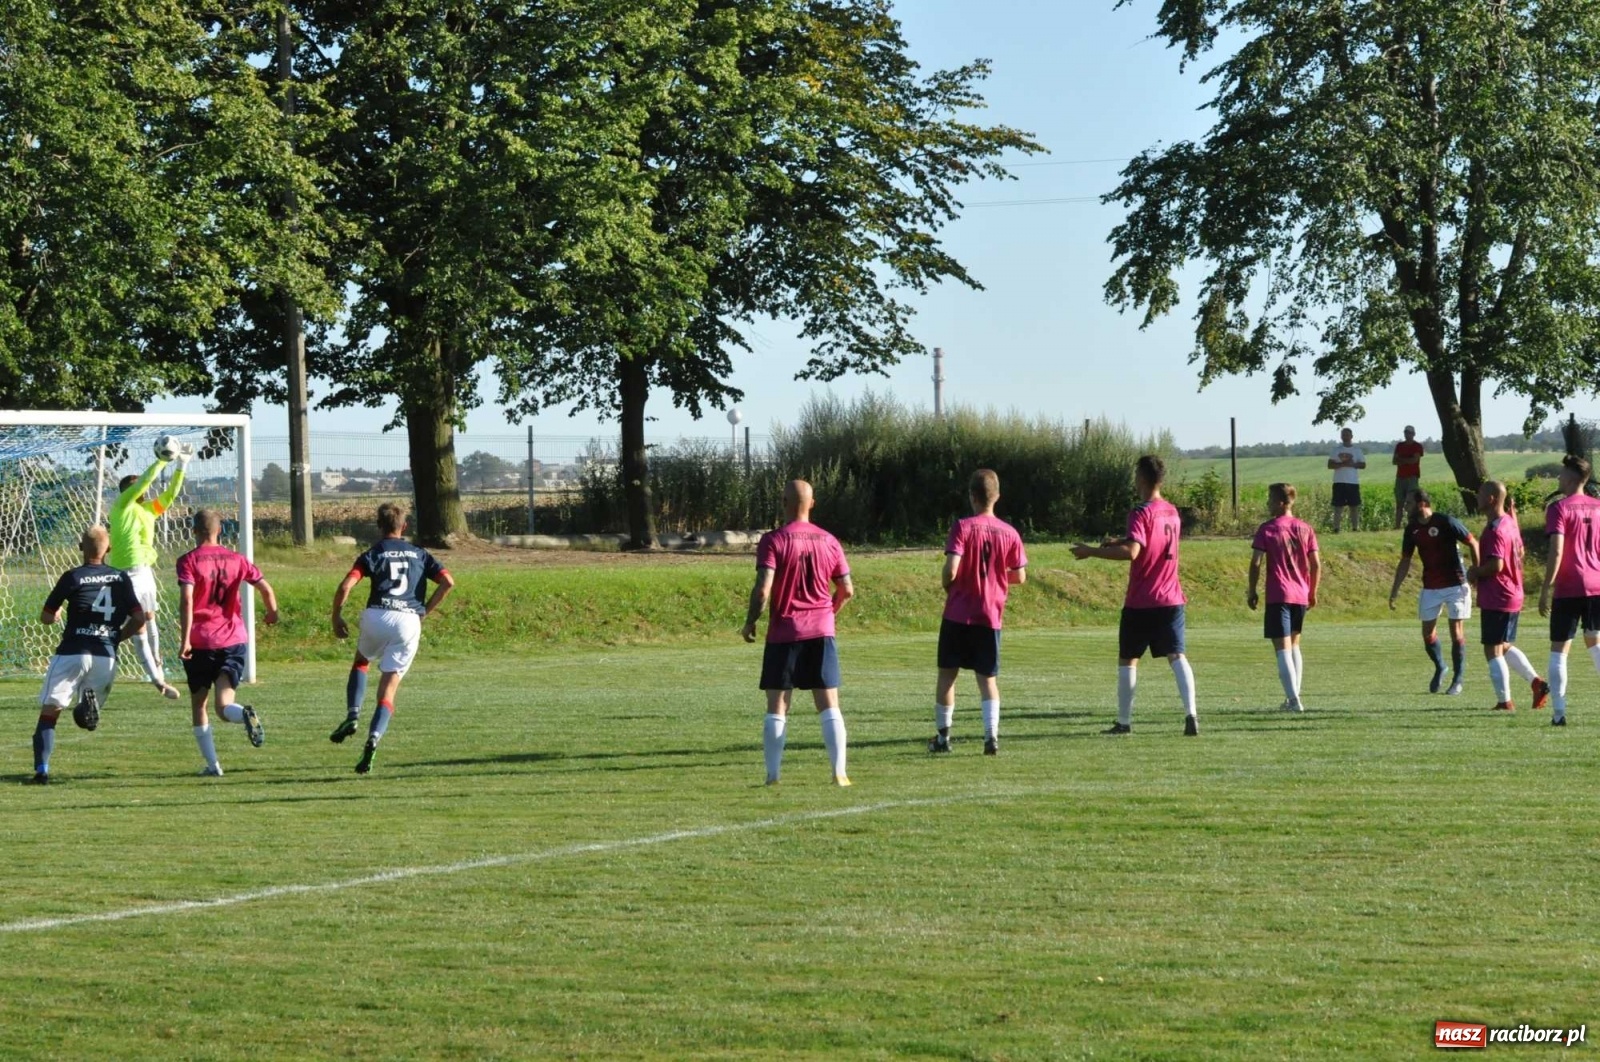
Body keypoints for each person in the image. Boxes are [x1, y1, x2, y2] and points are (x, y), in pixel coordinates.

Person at [1071, 455, 1199, 736]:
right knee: (1177, 655)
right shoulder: (1172, 512)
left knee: (1128, 659)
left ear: (1141, 478)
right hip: (1172, 597)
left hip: (1143, 599)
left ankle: (1124, 722)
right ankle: (1191, 714)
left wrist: (1091, 551)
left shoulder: (1140, 512)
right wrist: (1120, 540)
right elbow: (1153, 543)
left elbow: (1133, 552)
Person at [742, 480, 855, 785]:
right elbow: (846, 589)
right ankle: (838, 772)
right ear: (812, 504)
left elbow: (763, 589)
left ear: (783, 502)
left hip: (784, 633)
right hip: (821, 631)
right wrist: (828, 614)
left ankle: (773, 775)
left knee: (778, 705)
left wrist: (751, 621)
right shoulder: (830, 541)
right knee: (829, 703)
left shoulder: (773, 541)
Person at [329, 503, 455, 773]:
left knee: (362, 661)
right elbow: (448, 582)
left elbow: (346, 585)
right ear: (404, 527)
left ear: (378, 526)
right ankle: (373, 739)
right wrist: (424, 612)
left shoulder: (372, 553)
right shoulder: (421, 554)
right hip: (408, 621)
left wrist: (336, 616)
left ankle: (353, 714)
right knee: (388, 690)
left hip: (377, 615)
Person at [31, 528, 148, 783]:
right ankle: (87, 704)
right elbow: (140, 619)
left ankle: (42, 770)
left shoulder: (73, 577)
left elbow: (46, 618)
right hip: (105, 655)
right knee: (86, 721)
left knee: (50, 712)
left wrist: (58, 614)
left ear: (80, 547)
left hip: (73, 651)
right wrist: (116, 637)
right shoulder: (121, 578)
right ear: (109, 549)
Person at [931, 469, 1027, 755]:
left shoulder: (962, 526)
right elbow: (1020, 575)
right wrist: (996, 578)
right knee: (987, 679)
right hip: (990, 614)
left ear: (972, 496)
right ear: (997, 496)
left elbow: (952, 568)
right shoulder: (1010, 532)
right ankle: (990, 738)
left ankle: (943, 738)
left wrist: (949, 584)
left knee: (948, 675)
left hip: (959, 613)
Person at [176, 510, 280, 777]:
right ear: (219, 530)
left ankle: (213, 766)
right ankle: (242, 713)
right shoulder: (237, 559)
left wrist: (185, 638)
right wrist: (272, 612)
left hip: (201, 641)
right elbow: (266, 588)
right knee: (223, 707)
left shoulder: (188, 561)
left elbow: (187, 600)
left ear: (194, 530)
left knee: (200, 705)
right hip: (233, 640)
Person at [109, 447, 190, 699]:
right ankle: (159, 682)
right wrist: (161, 461)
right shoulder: (122, 506)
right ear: (127, 491)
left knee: (150, 617)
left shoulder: (149, 510)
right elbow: (144, 480)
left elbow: (171, 494)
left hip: (145, 572)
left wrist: (181, 466)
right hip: (126, 574)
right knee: (139, 624)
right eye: (136, 486)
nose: (143, 489)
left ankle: (158, 666)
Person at [1388, 489, 1479, 695]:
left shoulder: (1446, 521)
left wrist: (1477, 572)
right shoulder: (1411, 529)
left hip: (1456, 584)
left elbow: (1473, 542)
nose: (1406, 507)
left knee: (1456, 632)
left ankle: (1458, 679)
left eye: (1409, 503)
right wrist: (1395, 589)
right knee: (1427, 633)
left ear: (1421, 504)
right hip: (1431, 586)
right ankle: (1440, 667)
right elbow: (1405, 560)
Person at [1469, 482, 1549, 713]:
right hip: (1513, 592)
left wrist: (1475, 572)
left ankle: (1505, 702)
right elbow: (1520, 551)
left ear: (1492, 499)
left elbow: (1496, 565)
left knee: (1492, 649)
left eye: (1481, 493)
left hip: (1498, 594)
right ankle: (1537, 683)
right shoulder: (1510, 524)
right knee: (1503, 645)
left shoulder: (1496, 529)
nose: (1477, 497)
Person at [1537, 455, 1600, 727]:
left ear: (1573, 479)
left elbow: (1557, 550)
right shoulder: (1598, 507)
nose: (1558, 478)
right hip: (1597, 584)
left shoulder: (1558, 508)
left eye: (1562, 474)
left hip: (1570, 585)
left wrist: (1545, 587)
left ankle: (1559, 713)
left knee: (1559, 651)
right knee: (1595, 645)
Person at [1246, 483, 1320, 712]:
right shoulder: (1305, 528)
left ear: (1280, 502)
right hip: (1300, 594)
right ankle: (1292, 697)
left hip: (1279, 594)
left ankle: (1294, 700)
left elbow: (1256, 562)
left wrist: (1252, 589)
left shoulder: (1268, 529)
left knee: (1282, 648)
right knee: (1295, 645)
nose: (1267, 503)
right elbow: (1315, 564)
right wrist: (1312, 591)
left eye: (1269, 499)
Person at [1327, 427, 1366, 532]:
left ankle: (1355, 528)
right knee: (1338, 507)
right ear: (1341, 436)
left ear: (1351, 436)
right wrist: (1341, 464)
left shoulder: (1357, 450)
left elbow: (1363, 465)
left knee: (1354, 506)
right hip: (1339, 481)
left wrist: (1353, 464)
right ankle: (1336, 528)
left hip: (1353, 482)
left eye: (1347, 435)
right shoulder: (1336, 450)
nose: (1345, 437)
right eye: (1343, 435)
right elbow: (1330, 465)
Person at [1391, 426, 1425, 530]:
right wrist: (1407, 460)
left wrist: (1401, 459)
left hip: (1412, 477)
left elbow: (1414, 461)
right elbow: (1394, 461)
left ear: (1413, 434)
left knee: (1411, 502)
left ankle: (1412, 525)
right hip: (1400, 477)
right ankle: (1397, 526)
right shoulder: (1399, 446)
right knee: (1399, 503)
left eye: (1409, 433)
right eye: (1406, 432)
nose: (1407, 434)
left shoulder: (1417, 446)